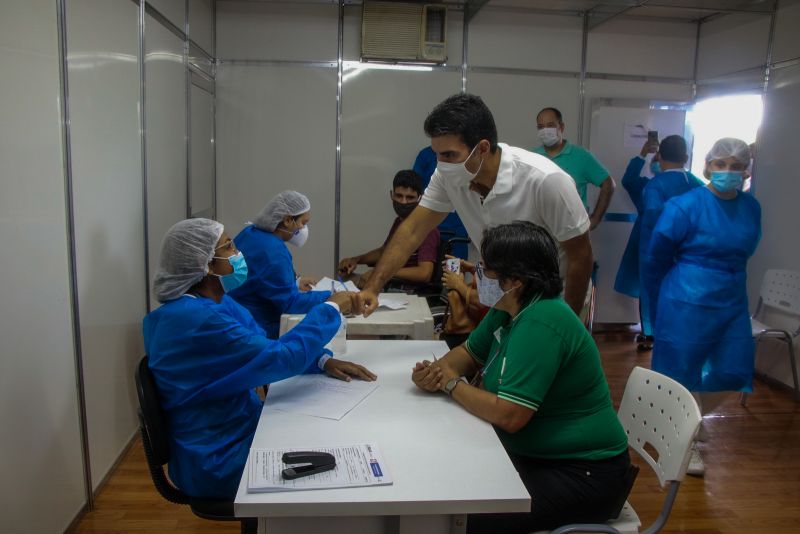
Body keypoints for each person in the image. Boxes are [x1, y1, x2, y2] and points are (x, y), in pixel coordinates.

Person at [412, 222, 630, 532]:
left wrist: (449, 383)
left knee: (458, 517)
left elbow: (509, 415)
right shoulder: (509, 308)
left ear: (514, 279)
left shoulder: (543, 321)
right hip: (538, 455)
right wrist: (436, 372)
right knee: (445, 480)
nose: (477, 275)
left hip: (584, 473)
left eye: (485, 269)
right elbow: (466, 356)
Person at [142, 218, 376, 500]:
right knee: (336, 459)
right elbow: (279, 358)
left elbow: (261, 347)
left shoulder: (213, 303)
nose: (239, 253)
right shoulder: (196, 320)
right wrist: (331, 309)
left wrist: (322, 361)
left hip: (237, 428)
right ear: (204, 264)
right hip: (219, 459)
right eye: (228, 247)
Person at [356, 94, 593, 318]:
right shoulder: (448, 177)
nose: (442, 164)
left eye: (449, 155)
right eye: (437, 154)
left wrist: (566, 325)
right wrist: (373, 287)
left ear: (481, 148)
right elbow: (412, 231)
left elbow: (581, 258)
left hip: (556, 302)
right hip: (505, 299)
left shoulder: (546, 181)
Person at [641, 138, 761, 477]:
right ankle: (685, 440)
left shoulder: (751, 207)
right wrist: (657, 301)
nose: (727, 172)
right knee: (681, 371)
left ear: (746, 170)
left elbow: (744, 249)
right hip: (685, 298)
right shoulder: (684, 206)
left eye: (736, 166)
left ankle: (687, 418)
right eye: (720, 164)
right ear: (706, 167)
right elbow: (656, 257)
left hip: (731, 297)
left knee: (735, 368)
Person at [229, 191, 351, 339]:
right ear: (287, 220)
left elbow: (259, 277)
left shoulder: (250, 232)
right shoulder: (273, 251)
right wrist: (333, 297)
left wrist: (295, 282)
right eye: (303, 223)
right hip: (259, 327)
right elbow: (290, 304)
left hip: (237, 315)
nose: (303, 228)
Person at [638, 135, 703, 337]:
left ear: (659, 156)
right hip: (690, 255)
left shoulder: (656, 186)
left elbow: (653, 218)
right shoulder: (698, 185)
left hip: (658, 253)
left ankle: (654, 335)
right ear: (685, 157)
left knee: (656, 298)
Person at [337, 170, 440, 290]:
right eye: (399, 196)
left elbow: (424, 273)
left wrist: (381, 273)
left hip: (406, 289)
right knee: (343, 278)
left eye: (410, 197)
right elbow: (384, 252)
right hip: (391, 282)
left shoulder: (426, 228)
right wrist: (355, 260)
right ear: (391, 195)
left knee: (349, 289)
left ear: (420, 198)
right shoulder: (399, 221)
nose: (403, 202)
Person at [532, 107, 616, 230]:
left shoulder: (581, 156)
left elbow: (608, 184)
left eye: (550, 125)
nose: (545, 131)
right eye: (541, 127)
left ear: (561, 127)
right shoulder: (533, 157)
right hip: (541, 231)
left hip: (573, 231)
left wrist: (595, 219)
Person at [613, 138, 659, 350]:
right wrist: (642, 154)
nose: (658, 162)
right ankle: (650, 333)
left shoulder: (683, 184)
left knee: (655, 290)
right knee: (649, 290)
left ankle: (654, 333)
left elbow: (629, 179)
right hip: (652, 242)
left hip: (660, 244)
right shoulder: (647, 186)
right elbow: (629, 179)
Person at [413, 145, 470, 259]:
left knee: (454, 272)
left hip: (458, 229)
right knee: (428, 269)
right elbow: (414, 190)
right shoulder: (426, 156)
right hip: (430, 227)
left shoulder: (467, 154)